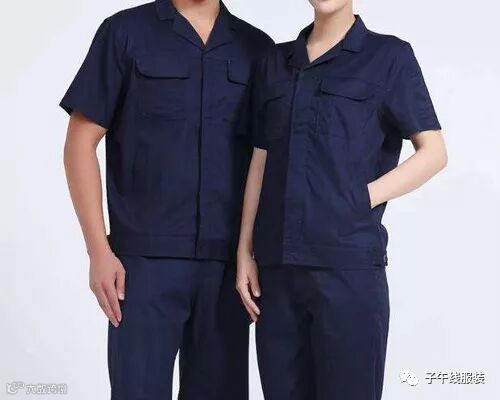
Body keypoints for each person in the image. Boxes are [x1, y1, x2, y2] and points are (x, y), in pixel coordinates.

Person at [60, 0, 273, 398]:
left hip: (227, 270)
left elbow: (266, 159)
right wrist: (98, 251)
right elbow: (79, 143)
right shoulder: (125, 32)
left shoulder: (257, 48)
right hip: (141, 268)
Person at [236, 0, 447, 399]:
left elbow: (434, 152)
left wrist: (360, 198)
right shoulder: (274, 62)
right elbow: (261, 158)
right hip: (277, 273)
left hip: (348, 270)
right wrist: (245, 250)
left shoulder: (388, 57)